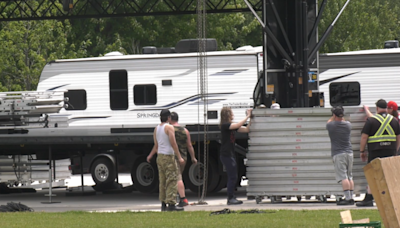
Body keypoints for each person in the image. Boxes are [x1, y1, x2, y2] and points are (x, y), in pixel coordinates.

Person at [357, 99, 400, 207]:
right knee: (389, 175)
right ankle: (392, 199)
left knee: (373, 175)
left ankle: (369, 198)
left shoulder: (371, 121)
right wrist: (395, 150)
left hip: (375, 151)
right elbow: (398, 137)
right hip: (390, 151)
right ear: (386, 108)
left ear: (377, 108)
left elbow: (364, 137)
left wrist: (362, 151)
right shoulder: (394, 120)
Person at [147, 109, 185, 211]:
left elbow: (156, 145)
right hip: (168, 156)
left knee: (162, 180)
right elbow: (173, 143)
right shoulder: (169, 127)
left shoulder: (156, 129)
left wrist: (150, 156)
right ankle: (171, 204)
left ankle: (163, 203)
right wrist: (179, 157)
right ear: (168, 118)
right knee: (172, 179)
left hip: (160, 156)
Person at [219, 107, 252, 205]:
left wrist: (250, 119)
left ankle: (232, 196)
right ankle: (230, 198)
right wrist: (248, 116)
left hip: (230, 154)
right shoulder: (225, 125)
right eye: (231, 113)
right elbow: (238, 124)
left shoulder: (231, 126)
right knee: (232, 176)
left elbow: (246, 129)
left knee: (234, 175)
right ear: (227, 115)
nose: (233, 115)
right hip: (226, 154)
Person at [326, 106, 354, 205]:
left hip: (339, 153)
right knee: (350, 176)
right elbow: (343, 120)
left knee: (343, 176)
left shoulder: (331, 126)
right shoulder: (348, 125)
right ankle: (351, 197)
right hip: (349, 153)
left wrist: (333, 117)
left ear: (334, 115)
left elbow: (328, 121)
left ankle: (347, 198)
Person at [169, 112, 197, 207]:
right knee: (178, 176)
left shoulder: (170, 129)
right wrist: (193, 157)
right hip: (184, 157)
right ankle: (177, 197)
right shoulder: (185, 130)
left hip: (173, 157)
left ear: (170, 119)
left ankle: (182, 199)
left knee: (177, 178)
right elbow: (189, 145)